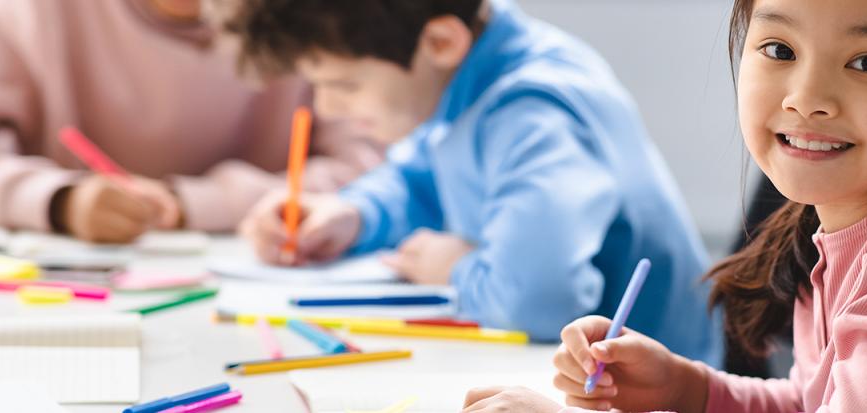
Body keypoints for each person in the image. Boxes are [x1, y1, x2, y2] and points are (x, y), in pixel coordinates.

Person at [463, 0, 867, 411]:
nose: (808, 97)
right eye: (780, 51)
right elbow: (814, 400)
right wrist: (686, 388)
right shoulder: (854, 216)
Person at [227, 0, 721, 363]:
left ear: (441, 42)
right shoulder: (469, 71)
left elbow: (539, 300)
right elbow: (422, 181)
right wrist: (356, 215)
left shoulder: (531, 112)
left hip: (650, 384)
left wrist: (456, 268)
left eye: (345, 85)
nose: (326, 108)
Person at [0, 0, 384, 243]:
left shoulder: (314, 14)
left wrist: (197, 205)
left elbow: (377, 165)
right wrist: (61, 200)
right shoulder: (29, 11)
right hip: (72, 294)